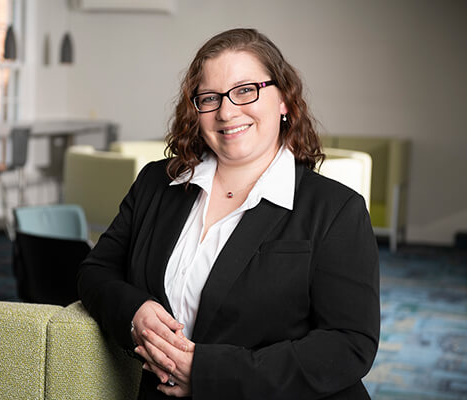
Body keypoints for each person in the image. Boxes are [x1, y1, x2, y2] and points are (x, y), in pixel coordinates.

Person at [77, 28, 380, 399]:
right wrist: (135, 312)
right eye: (210, 97)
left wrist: (209, 374)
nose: (226, 111)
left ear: (284, 99)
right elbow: (95, 271)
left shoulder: (336, 210)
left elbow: (348, 345)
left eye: (245, 91)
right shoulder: (156, 183)